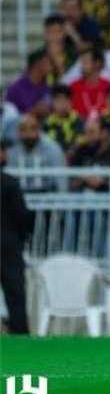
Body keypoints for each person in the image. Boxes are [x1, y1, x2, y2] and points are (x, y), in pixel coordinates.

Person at [1, 141, 34, 334]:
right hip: (8, 246)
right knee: (15, 294)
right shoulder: (10, 183)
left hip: (9, 244)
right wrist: (21, 238)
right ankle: (19, 335)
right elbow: (22, 216)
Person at [6, 114, 67, 192]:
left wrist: (62, 197)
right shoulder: (13, 149)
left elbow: (61, 180)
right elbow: (10, 177)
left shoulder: (52, 148)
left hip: (47, 194)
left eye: (33, 128)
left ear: (39, 130)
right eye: (23, 129)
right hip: (19, 194)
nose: (28, 133)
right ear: (18, 132)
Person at [69, 47, 110, 119]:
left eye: (85, 62)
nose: (82, 66)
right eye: (81, 62)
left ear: (97, 63)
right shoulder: (73, 87)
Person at [5, 48, 52, 115]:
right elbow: (8, 115)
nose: (51, 67)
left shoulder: (48, 86)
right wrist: (35, 110)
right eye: (48, 62)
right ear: (37, 64)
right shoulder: (15, 88)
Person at [44, 85, 84, 155]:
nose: (62, 104)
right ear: (53, 103)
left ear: (71, 102)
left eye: (65, 100)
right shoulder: (47, 123)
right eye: (59, 101)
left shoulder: (79, 121)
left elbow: (80, 142)